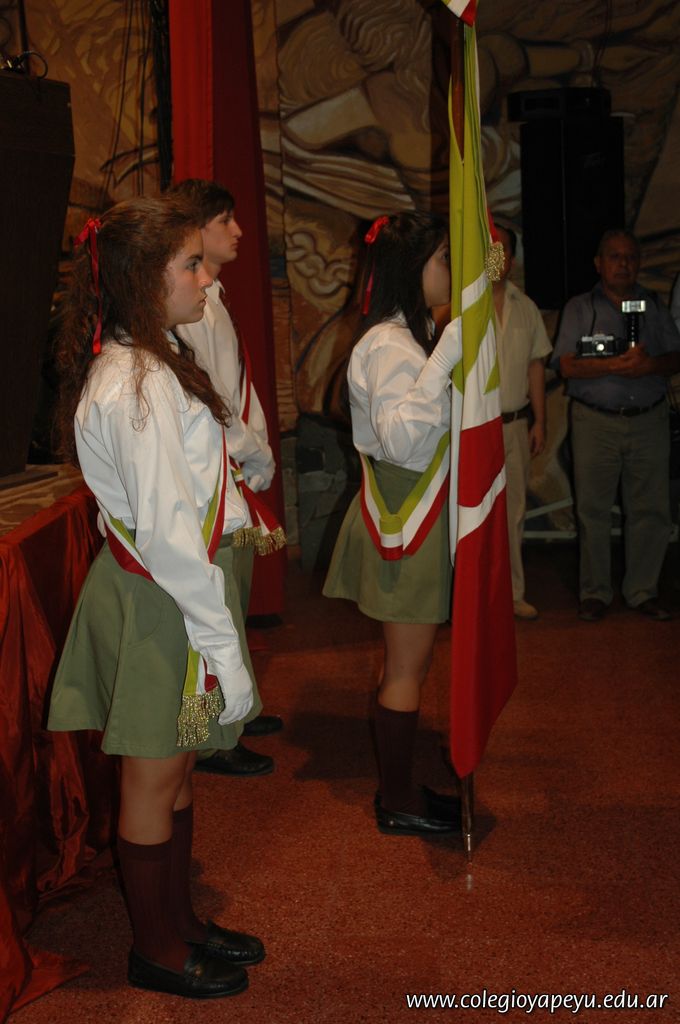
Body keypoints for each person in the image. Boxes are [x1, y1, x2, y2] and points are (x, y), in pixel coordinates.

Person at [48, 197, 266, 998]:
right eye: (191, 264)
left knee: (177, 766)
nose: (207, 277)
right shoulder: (133, 384)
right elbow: (171, 534)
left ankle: (180, 921)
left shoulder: (154, 359)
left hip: (177, 593)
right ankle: (157, 949)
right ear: (145, 278)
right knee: (151, 777)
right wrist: (225, 650)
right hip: (159, 600)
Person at [323, 212, 463, 837]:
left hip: (417, 509)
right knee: (407, 667)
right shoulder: (388, 345)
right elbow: (402, 442)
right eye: (443, 259)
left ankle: (403, 789)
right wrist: (447, 356)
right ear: (412, 268)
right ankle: (399, 800)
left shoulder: (409, 336)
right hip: (406, 515)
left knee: (410, 664)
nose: (451, 270)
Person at [170, 178, 284, 779]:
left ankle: (236, 712)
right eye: (225, 221)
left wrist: (255, 444)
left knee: (234, 594)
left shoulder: (213, 297)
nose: (238, 231)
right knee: (218, 598)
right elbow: (210, 397)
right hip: (214, 469)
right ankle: (216, 736)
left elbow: (236, 386)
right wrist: (250, 449)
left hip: (232, 461)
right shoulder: (190, 309)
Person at [551, 228, 680, 622]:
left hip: (649, 421)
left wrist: (649, 366)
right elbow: (566, 364)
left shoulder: (652, 305)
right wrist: (614, 366)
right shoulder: (579, 308)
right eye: (614, 256)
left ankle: (642, 591)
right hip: (595, 424)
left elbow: (676, 356)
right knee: (592, 510)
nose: (623, 264)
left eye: (630, 257)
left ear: (638, 263)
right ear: (598, 263)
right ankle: (595, 592)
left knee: (651, 510)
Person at [493, 224, 551, 620]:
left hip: (514, 423)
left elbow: (536, 366)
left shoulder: (525, 306)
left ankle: (513, 594)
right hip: (473, 429)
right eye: (488, 248)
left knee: (514, 513)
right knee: (473, 514)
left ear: (512, 259)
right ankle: (472, 598)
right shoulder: (463, 306)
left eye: (501, 249)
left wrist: (540, 421)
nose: (494, 256)